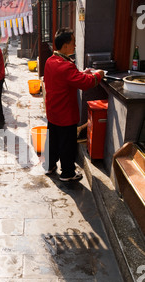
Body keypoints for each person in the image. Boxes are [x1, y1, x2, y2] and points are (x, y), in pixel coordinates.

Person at [43, 28, 104, 182]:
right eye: (73, 43)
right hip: (65, 114)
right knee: (67, 144)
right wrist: (99, 75)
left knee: (52, 140)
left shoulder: (51, 61)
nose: (75, 46)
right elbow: (85, 83)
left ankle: (49, 166)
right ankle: (68, 173)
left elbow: (70, 78)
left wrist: (81, 73)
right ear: (64, 46)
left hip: (53, 111)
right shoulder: (66, 66)